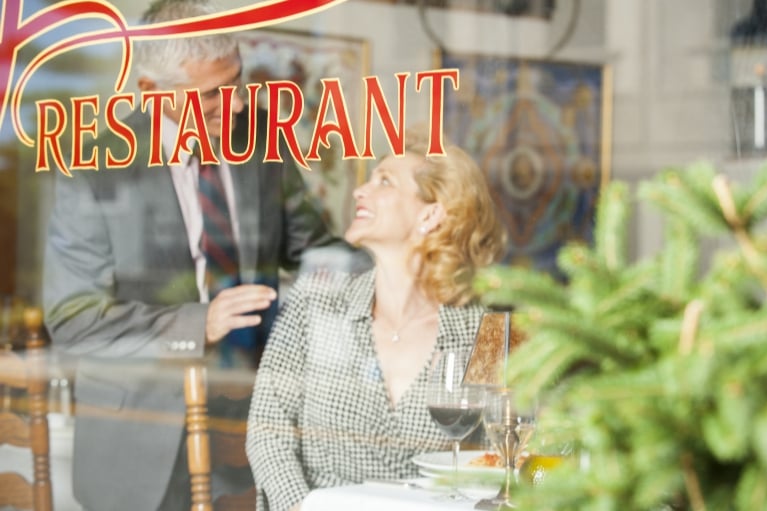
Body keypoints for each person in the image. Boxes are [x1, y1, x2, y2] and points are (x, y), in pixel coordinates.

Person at [42, 1, 338, 510]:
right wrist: (198, 323)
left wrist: (396, 257)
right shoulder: (92, 169)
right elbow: (74, 322)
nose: (238, 107)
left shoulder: (259, 136)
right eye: (212, 97)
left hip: (253, 431)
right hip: (138, 445)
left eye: (238, 83)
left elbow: (310, 245)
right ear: (152, 94)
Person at [246, 131, 507, 511]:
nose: (359, 192)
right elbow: (267, 435)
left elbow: (502, 458)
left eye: (384, 181)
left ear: (431, 213)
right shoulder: (314, 303)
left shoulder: (484, 332)